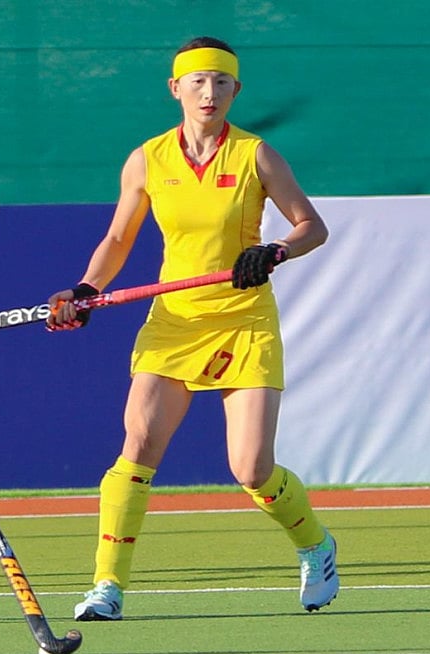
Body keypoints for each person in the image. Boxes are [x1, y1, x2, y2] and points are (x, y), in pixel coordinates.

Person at [45, 36, 337, 620]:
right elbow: (118, 239)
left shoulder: (256, 155)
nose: (210, 93)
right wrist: (84, 290)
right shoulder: (147, 159)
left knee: (251, 467)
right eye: (197, 81)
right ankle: (107, 586)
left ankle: (315, 546)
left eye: (221, 82)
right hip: (174, 322)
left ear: (236, 91)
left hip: (243, 319)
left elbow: (312, 226)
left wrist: (277, 249)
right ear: (175, 89)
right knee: (137, 447)